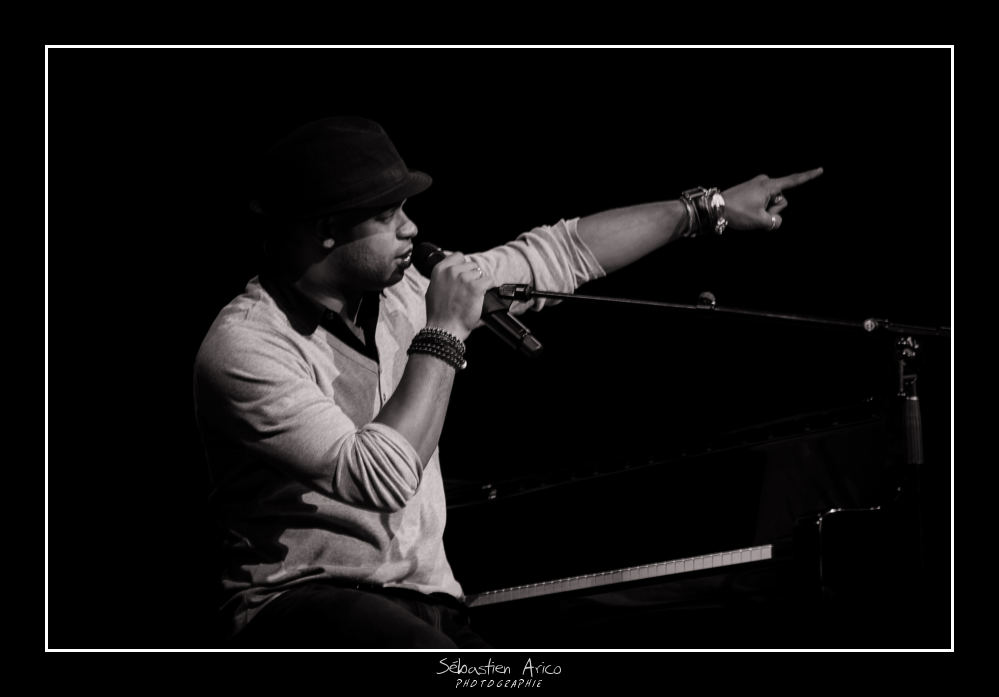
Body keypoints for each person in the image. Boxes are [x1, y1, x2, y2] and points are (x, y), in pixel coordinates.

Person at [193, 115, 823, 648]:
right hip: (301, 605)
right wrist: (444, 331)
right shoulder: (248, 347)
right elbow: (377, 478)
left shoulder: (403, 292)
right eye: (387, 215)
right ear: (323, 228)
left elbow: (559, 253)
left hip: (427, 600)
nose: (411, 228)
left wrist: (703, 210)